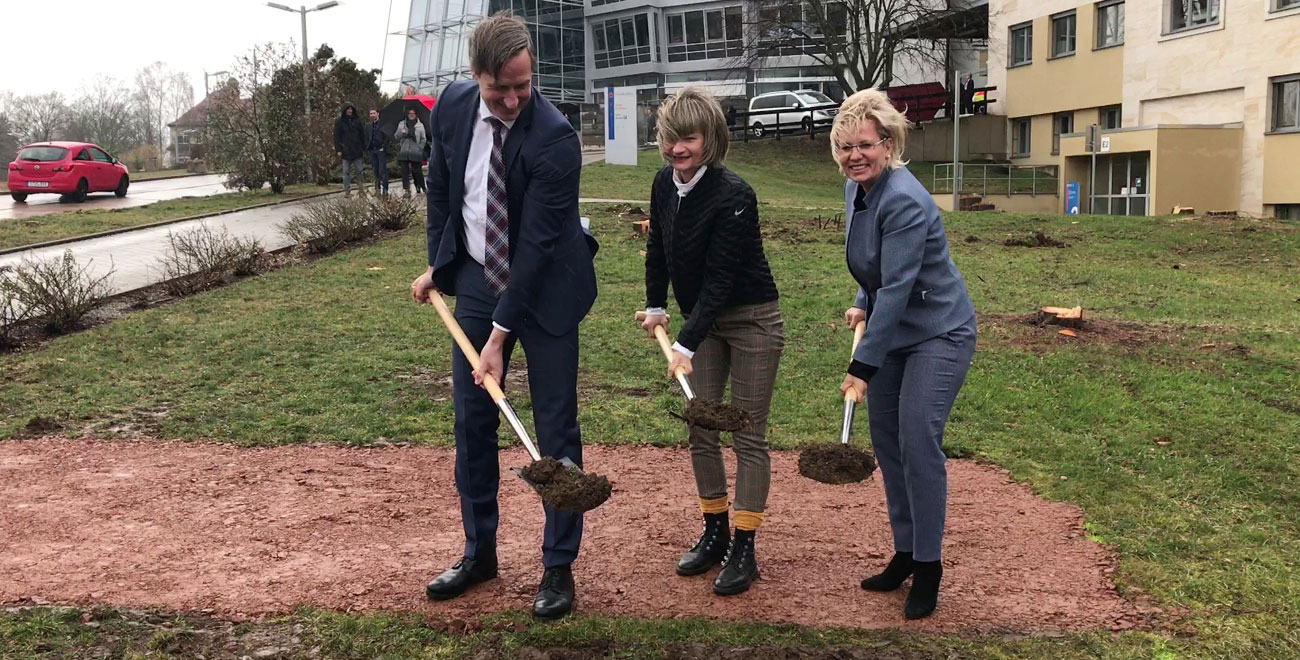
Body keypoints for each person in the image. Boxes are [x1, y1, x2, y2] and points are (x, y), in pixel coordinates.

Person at [409, 10, 598, 620]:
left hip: (546, 292)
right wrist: (440, 266)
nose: (515, 98)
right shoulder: (454, 107)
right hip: (476, 283)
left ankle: (557, 566)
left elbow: (539, 246)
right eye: (502, 88)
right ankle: (478, 551)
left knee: (553, 428)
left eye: (523, 84)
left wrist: (497, 335)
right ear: (476, 75)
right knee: (472, 422)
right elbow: (442, 188)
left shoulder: (555, 136)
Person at [831, 88, 976, 620]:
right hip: (892, 329)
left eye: (864, 145)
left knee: (917, 439)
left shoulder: (907, 200)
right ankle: (907, 552)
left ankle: (930, 567)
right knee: (888, 444)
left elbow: (896, 289)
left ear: (888, 144)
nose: (854, 156)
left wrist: (861, 367)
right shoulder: (855, 191)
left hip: (938, 332)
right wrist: (857, 300)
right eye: (845, 147)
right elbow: (874, 269)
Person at [640, 87, 782, 596]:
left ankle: (744, 546)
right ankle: (715, 529)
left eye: (689, 139)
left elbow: (721, 280)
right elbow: (657, 247)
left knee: (745, 432)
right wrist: (656, 304)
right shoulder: (662, 183)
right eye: (670, 138)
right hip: (702, 322)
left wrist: (685, 342)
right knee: (701, 426)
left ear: (711, 140)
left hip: (750, 322)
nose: (678, 148)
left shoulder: (735, 196)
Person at [333, 102, 365, 196]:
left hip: (357, 150)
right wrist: (338, 149)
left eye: (351, 109)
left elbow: (362, 134)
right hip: (345, 151)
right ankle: (347, 191)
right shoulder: (339, 121)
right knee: (346, 172)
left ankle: (361, 189)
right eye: (348, 109)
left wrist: (363, 146)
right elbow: (336, 136)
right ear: (345, 110)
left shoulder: (357, 120)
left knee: (359, 171)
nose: (350, 111)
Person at [394, 107, 427, 197]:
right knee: (404, 172)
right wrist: (401, 132)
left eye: (413, 113)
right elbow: (396, 137)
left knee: (417, 172)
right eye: (410, 113)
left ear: (416, 115)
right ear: (407, 114)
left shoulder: (420, 125)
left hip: (415, 152)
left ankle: (421, 187)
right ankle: (406, 190)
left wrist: (420, 148)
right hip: (404, 151)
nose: (411, 115)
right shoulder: (402, 124)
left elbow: (423, 139)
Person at [364, 109, 390, 196]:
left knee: (382, 170)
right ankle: (377, 188)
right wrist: (368, 146)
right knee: (375, 171)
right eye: (370, 113)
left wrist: (384, 147)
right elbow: (366, 137)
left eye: (374, 113)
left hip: (380, 150)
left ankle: (385, 189)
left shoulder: (382, 124)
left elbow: (387, 137)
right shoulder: (368, 126)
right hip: (372, 150)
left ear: (377, 114)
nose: (372, 115)